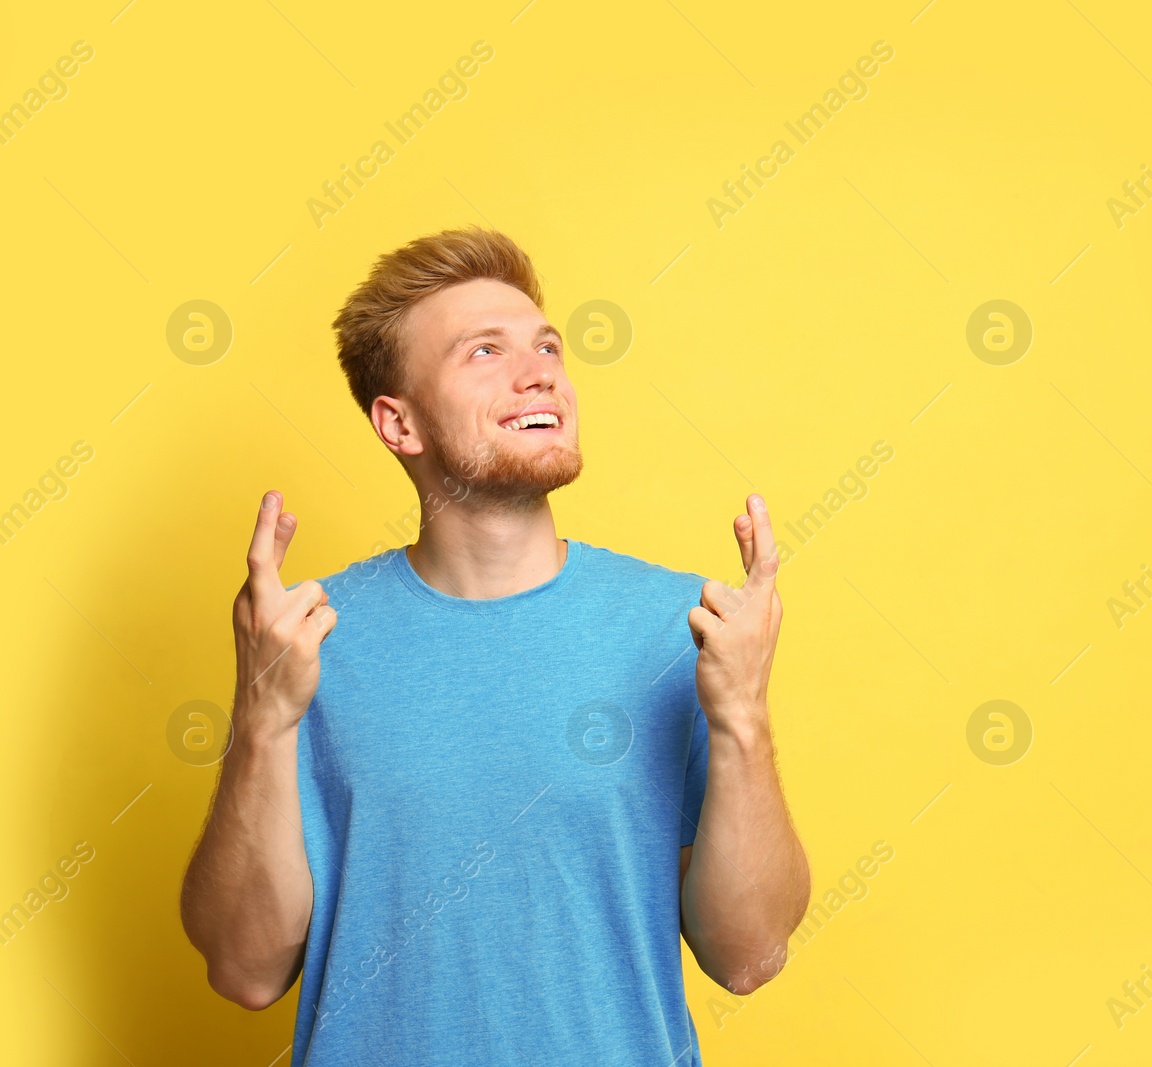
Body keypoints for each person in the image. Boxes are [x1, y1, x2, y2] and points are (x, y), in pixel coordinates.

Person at [179, 227, 810, 1065]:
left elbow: (750, 957)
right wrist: (261, 715)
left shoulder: (684, 626)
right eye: (485, 351)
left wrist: (743, 718)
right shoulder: (305, 639)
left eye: (547, 345)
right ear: (399, 422)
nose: (541, 368)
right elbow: (245, 969)